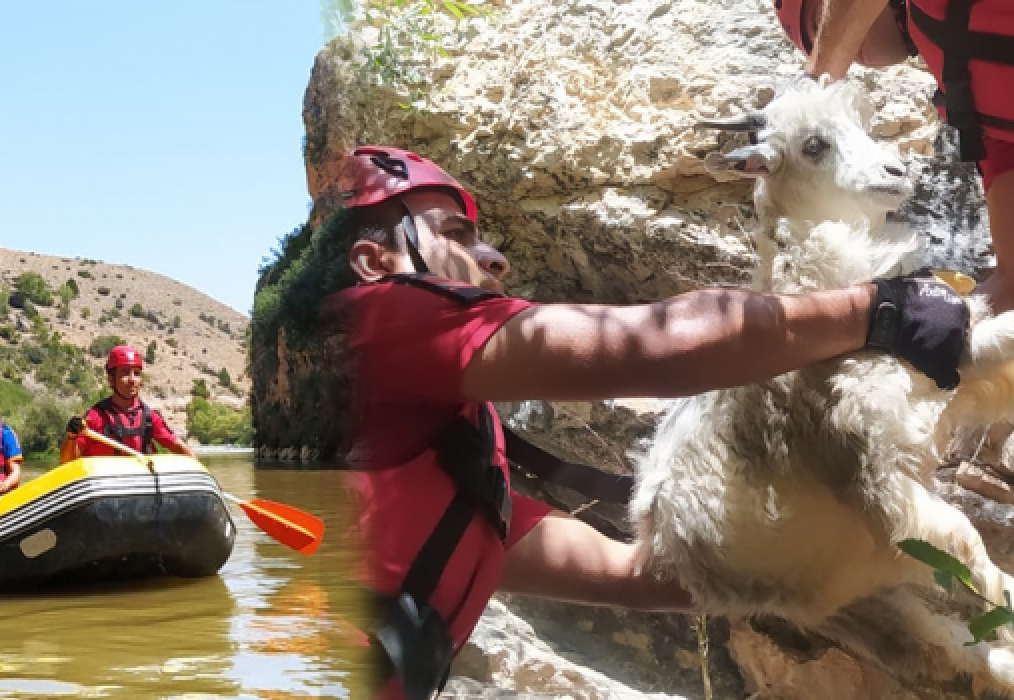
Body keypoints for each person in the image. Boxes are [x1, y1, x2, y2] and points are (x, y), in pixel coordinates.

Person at [320, 146, 970, 699]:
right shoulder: (372, 324)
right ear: (375, 262)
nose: (493, 259)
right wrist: (881, 309)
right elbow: (649, 343)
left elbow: (646, 577)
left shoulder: (444, 474)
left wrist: (811, 539)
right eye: (455, 236)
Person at [772, 0, 1014, 311]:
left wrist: (816, 81)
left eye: (823, 24)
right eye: (814, 44)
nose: (851, 50)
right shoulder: (962, 97)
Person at [59, 344, 196, 462]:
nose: (132, 380)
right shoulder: (95, 418)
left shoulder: (150, 417)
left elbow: (180, 448)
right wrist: (72, 437)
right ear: (111, 379)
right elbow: (67, 462)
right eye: (125, 373)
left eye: (136, 373)